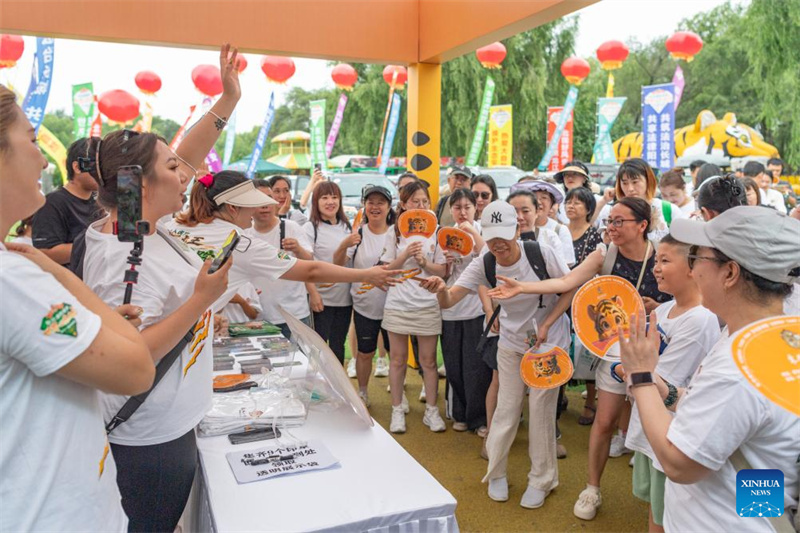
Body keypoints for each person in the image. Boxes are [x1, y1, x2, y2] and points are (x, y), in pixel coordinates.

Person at [0, 83, 153, 533]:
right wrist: (61, 277)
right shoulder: (15, 280)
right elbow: (138, 369)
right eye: (31, 139)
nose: (43, 159)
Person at [487, 197, 673, 520]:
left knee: (660, 429)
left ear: (643, 226)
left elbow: (685, 295)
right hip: (613, 353)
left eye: (619, 222)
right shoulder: (604, 253)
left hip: (659, 354)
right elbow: (566, 282)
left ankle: (663, 502)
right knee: (603, 422)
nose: (611, 228)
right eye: (609, 221)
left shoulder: (662, 256)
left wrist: (661, 308)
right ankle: (593, 489)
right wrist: (524, 288)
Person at [620, 207, 800, 533]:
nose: (693, 270)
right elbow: (760, 449)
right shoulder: (773, 336)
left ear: (729, 273)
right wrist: (670, 393)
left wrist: (641, 376)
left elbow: (678, 463)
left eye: (696, 258)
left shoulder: (737, 370)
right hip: (751, 512)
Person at [421, 200, 575, 509]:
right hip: (511, 342)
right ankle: (496, 472)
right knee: (506, 408)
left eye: (504, 235)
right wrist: (439, 287)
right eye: (491, 237)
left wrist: (547, 322)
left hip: (548, 344)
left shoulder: (540, 253)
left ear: (518, 229)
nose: (498, 244)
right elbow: (449, 300)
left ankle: (542, 479)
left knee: (541, 411)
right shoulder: (484, 262)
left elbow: (569, 286)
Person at [621, 235, 721, 532]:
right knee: (658, 509)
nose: (656, 268)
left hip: (672, 436)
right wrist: (633, 372)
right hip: (653, 429)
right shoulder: (662, 311)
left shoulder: (702, 320)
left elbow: (661, 383)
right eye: (656, 261)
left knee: (670, 516)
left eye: (665, 260)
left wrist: (636, 374)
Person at [380, 179, 448, 434]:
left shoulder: (437, 231)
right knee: (397, 360)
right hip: (398, 302)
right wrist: (406, 254)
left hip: (427, 303)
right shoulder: (394, 231)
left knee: (428, 361)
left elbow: (443, 270)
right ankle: (397, 409)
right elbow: (387, 269)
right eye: (415, 202)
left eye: (425, 201)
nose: (421, 206)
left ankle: (432, 411)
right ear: (404, 205)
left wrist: (425, 263)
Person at [333, 184, 395, 406]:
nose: (375, 207)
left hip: (394, 305)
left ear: (389, 206)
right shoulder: (357, 234)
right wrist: (343, 245)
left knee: (396, 356)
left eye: (380, 202)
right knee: (365, 353)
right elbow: (339, 265)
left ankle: (398, 394)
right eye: (371, 202)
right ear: (364, 205)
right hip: (364, 305)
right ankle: (362, 391)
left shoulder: (397, 233)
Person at [439, 189, 491, 433]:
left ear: (475, 208)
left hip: (476, 310)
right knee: (453, 365)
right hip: (450, 310)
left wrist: (472, 233)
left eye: (467, 206)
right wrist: (446, 264)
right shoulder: (443, 235)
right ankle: (458, 413)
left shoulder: (482, 230)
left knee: (477, 368)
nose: (462, 212)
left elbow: (491, 259)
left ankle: (478, 418)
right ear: (451, 210)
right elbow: (442, 274)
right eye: (457, 207)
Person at [245, 179, 316, 339]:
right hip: (259, 316)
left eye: (269, 198)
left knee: (300, 362)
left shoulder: (291, 227)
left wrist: (298, 249)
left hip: (294, 314)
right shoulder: (245, 234)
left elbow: (310, 261)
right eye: (259, 200)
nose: (265, 205)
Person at [32, 137, 105, 268]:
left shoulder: (100, 204)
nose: (102, 173)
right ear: (77, 167)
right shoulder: (52, 203)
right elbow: (44, 253)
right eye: (97, 166)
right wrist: (98, 244)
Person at [563, 186, 603, 425]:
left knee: (587, 349)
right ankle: (559, 394)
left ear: (589, 209)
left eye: (578, 203)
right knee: (562, 346)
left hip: (584, 300)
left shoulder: (593, 235)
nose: (571, 206)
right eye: (569, 201)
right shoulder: (559, 231)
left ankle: (590, 402)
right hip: (559, 296)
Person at [304, 181, 355, 364]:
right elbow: (305, 265)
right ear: (316, 201)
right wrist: (313, 293)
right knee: (318, 346)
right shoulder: (310, 228)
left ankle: (338, 390)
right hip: (321, 299)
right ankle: (316, 388)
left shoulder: (347, 227)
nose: (330, 202)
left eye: (334, 197)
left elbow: (341, 264)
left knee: (337, 346)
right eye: (324, 197)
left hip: (344, 299)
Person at [596, 158, 686, 242]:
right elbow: (605, 240)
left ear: (648, 180)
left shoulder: (668, 209)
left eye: (635, 182)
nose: (630, 188)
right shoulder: (612, 212)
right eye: (625, 183)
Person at [513, 180, 576, 265]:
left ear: (551, 205)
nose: (538, 202)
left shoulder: (560, 230)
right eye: (534, 197)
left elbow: (566, 266)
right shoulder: (517, 227)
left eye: (544, 198)